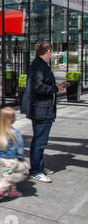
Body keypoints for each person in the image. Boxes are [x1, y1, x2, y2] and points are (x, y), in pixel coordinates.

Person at [27, 40, 69, 183]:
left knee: (40, 140)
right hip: (41, 109)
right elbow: (38, 87)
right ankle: (36, 171)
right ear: (49, 51)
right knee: (39, 141)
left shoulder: (40, 65)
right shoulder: (39, 66)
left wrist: (57, 86)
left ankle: (39, 167)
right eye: (52, 51)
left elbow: (41, 84)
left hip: (43, 108)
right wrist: (56, 89)